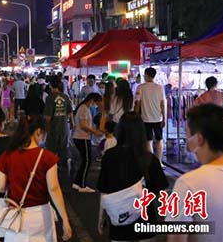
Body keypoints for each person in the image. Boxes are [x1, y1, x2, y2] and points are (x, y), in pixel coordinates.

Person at [0, 114, 72, 242]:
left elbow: (0, 187)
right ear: (38, 132)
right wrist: (65, 219)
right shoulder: (48, 157)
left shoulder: (8, 155)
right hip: (40, 216)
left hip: (15, 216)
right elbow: (53, 188)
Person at [166, 104, 223, 242]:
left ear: (199, 139)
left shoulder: (188, 183)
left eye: (187, 135)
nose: (186, 141)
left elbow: (176, 238)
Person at [98, 112, 168, 241]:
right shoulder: (149, 158)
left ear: (120, 131)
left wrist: (101, 218)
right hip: (146, 221)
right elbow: (161, 187)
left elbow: (104, 190)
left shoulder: (110, 156)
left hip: (119, 220)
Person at [72, 93, 103, 192]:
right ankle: (82, 185)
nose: (96, 105)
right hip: (82, 137)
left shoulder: (84, 108)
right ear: (92, 100)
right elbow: (83, 125)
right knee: (87, 161)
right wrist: (95, 132)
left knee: (85, 160)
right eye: (96, 102)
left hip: (83, 137)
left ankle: (77, 183)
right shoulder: (84, 108)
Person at [135, 67, 166, 165]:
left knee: (148, 141)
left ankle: (151, 162)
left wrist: (136, 116)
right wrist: (164, 117)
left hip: (145, 118)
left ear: (146, 75)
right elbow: (162, 103)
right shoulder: (160, 87)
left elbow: (138, 103)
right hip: (158, 118)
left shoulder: (141, 87)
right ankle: (160, 161)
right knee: (159, 139)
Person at [44, 79, 73, 168]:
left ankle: (53, 166)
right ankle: (64, 165)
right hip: (64, 127)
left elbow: (48, 116)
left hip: (53, 128)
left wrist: (46, 127)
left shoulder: (50, 97)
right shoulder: (65, 96)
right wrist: (72, 122)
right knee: (63, 149)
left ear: (51, 86)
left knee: (51, 149)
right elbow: (70, 111)